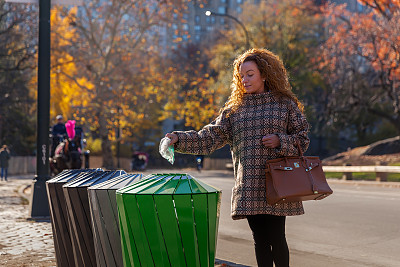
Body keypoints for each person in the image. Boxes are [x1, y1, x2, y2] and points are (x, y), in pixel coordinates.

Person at [164, 48, 310, 267]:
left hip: (278, 184)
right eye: (241, 76)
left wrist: (281, 141)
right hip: (249, 185)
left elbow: (303, 139)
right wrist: (178, 138)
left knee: (277, 237)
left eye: (250, 74)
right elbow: (208, 137)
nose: (245, 80)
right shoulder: (235, 109)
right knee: (260, 240)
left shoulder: (284, 105)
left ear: (264, 74)